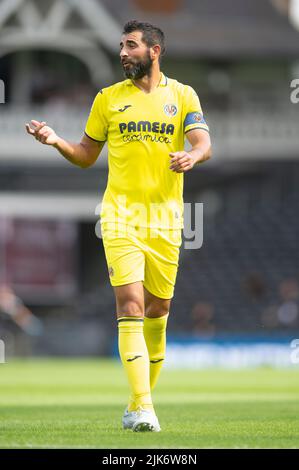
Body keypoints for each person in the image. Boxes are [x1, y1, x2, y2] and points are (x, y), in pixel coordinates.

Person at [25, 20, 212, 432]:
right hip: (120, 216)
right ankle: (144, 407)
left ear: (154, 51)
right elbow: (86, 154)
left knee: (157, 313)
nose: (123, 53)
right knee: (129, 305)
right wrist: (56, 140)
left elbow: (202, 142)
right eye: (121, 46)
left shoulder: (182, 95)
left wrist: (192, 157)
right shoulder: (108, 99)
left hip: (166, 220)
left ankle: (136, 403)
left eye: (131, 45)